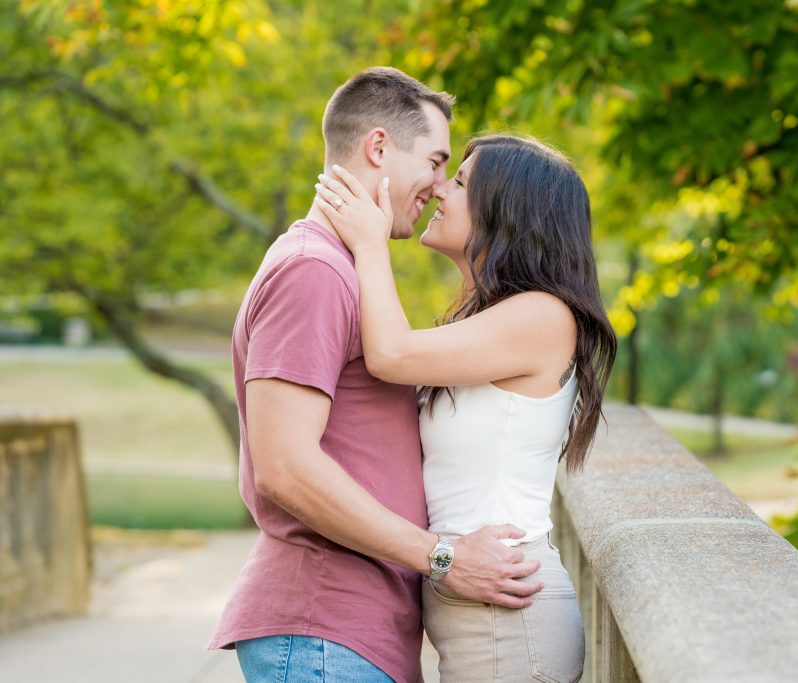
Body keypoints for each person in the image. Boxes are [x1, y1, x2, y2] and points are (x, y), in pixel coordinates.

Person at [208, 68, 546, 683]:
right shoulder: (313, 271)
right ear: (379, 148)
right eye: (437, 161)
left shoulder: (343, 270)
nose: (441, 187)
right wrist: (444, 558)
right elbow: (282, 467)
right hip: (321, 631)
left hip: (350, 638)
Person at [312, 133, 617, 682]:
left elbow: (390, 354)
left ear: (506, 209)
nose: (436, 190)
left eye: (458, 182)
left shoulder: (542, 316)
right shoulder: (487, 316)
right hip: (480, 613)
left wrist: (370, 244)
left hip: (507, 618)